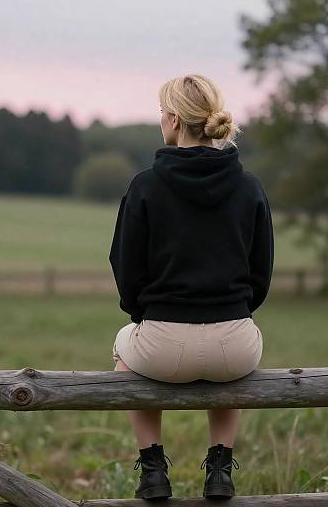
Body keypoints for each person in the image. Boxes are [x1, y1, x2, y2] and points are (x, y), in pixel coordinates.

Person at [109, 74, 274, 500]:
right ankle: (220, 467)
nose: (160, 118)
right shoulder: (249, 186)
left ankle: (152, 468)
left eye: (162, 111)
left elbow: (125, 266)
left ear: (176, 120)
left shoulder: (145, 185)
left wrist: (141, 315)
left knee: (123, 347)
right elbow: (262, 270)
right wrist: (236, 309)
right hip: (234, 346)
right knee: (236, 361)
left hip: (161, 347)